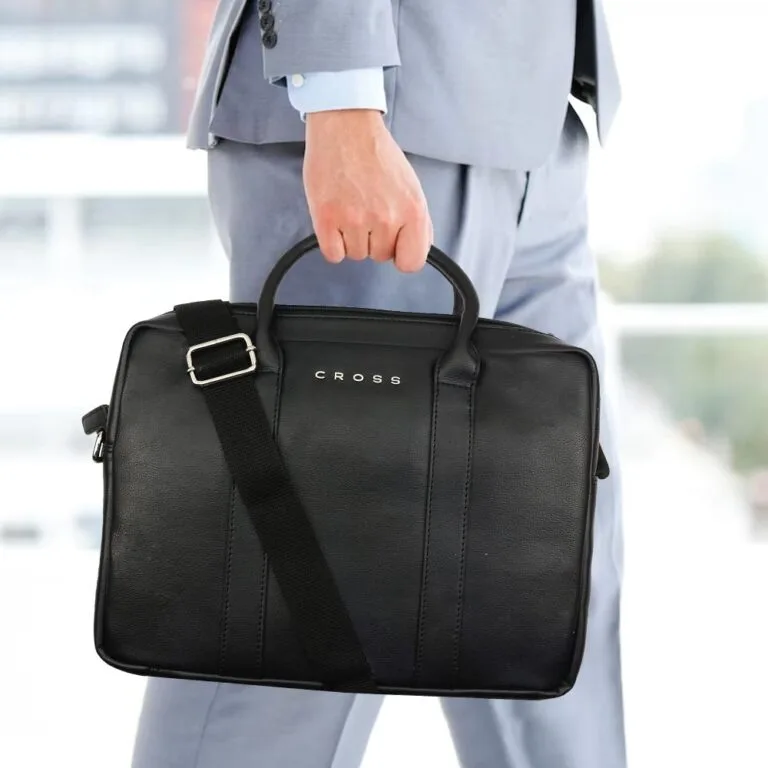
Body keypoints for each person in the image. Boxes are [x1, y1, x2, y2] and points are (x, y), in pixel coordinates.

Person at [132, 1, 626, 766]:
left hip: (533, 120)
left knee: (545, 592)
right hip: (389, 110)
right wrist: (341, 99)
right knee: (301, 603)